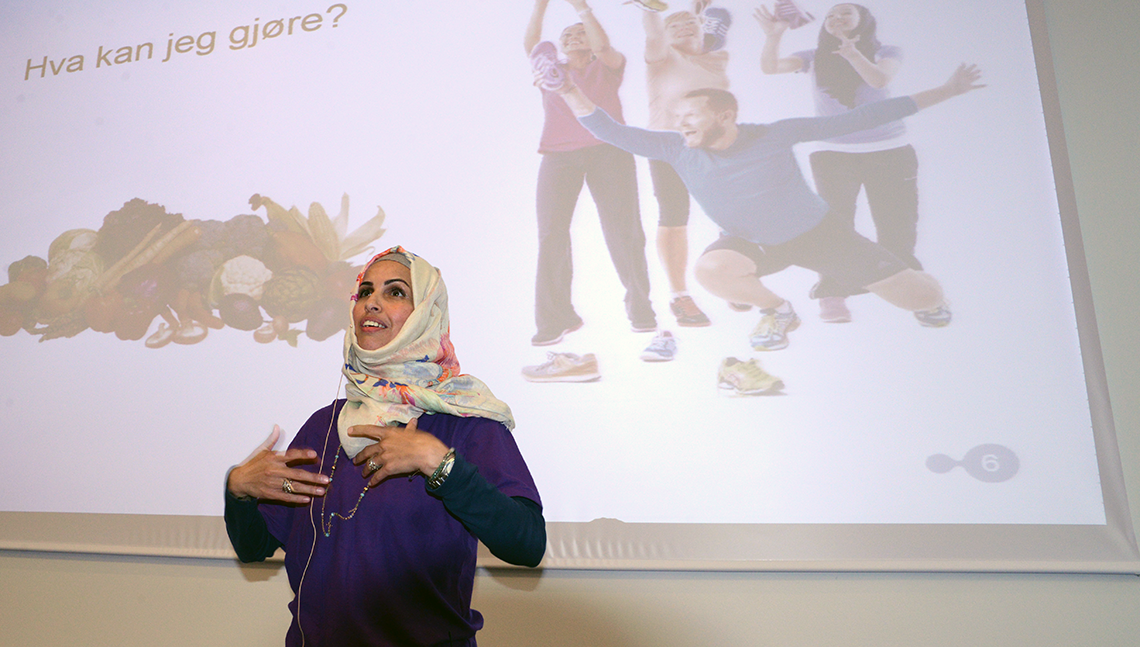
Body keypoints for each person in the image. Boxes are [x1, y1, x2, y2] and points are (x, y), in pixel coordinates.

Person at [542, 60, 982, 354]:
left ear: (725, 116)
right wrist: (568, 89)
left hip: (821, 235)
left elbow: (861, 119)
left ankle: (930, 301)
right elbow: (613, 132)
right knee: (711, 271)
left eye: (691, 115)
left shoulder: (775, 134)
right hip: (751, 243)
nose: (681, 123)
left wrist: (949, 90)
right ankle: (778, 311)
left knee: (923, 296)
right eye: (678, 118)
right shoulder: (676, 149)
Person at [224, 246, 545, 646]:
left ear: (426, 314)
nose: (371, 303)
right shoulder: (324, 426)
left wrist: (440, 463)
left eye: (395, 292)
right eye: (365, 292)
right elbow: (254, 546)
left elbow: (528, 543)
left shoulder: (466, 421)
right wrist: (238, 490)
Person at [756, 3, 942, 326]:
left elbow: (880, 80)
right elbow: (770, 68)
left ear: (863, 21)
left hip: (889, 151)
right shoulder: (814, 57)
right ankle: (833, 292)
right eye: (831, 15)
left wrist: (853, 54)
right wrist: (774, 36)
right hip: (833, 153)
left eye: (846, 14)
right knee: (834, 227)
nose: (836, 19)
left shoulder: (886, 51)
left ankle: (918, 296)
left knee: (897, 225)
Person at [523, 0, 657, 348]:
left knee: (624, 230)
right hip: (559, 156)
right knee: (551, 234)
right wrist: (540, 6)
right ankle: (556, 319)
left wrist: (581, 8)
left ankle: (640, 307)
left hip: (609, 151)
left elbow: (603, 46)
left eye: (580, 33)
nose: (573, 37)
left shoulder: (608, 65)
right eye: (566, 35)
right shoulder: (550, 71)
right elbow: (532, 44)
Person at [636, 2, 732, 327]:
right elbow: (653, 35)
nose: (683, 28)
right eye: (674, 26)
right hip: (668, 146)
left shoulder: (717, 59)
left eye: (689, 24)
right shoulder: (661, 57)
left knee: (728, 212)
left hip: (711, 144)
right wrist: (649, 9)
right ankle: (680, 296)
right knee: (674, 216)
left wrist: (697, 15)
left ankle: (731, 274)